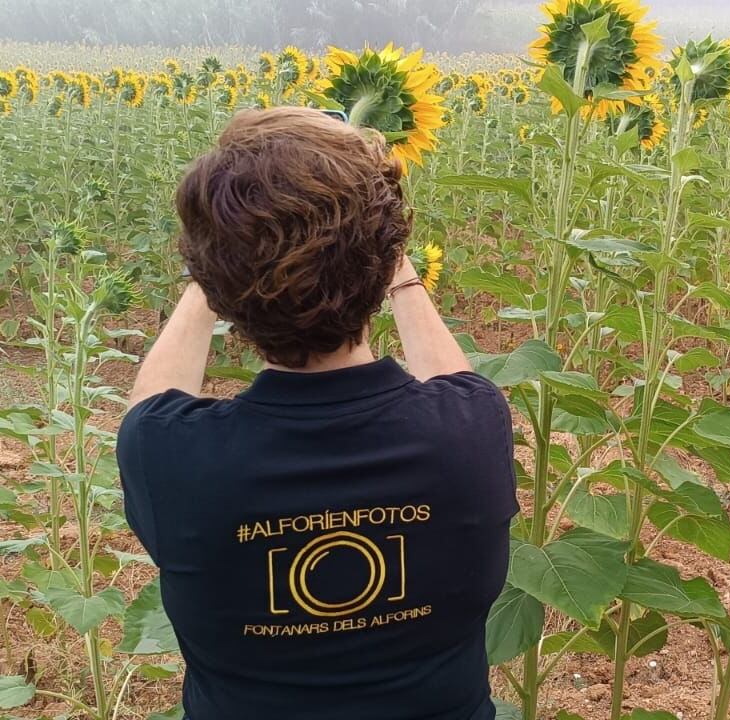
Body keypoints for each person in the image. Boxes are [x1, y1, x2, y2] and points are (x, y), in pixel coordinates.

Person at [116, 107, 518, 720]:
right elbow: (454, 380)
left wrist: (219, 265)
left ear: (215, 283)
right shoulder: (470, 430)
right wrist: (396, 269)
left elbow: (154, 398)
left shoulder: (171, 457)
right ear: (384, 265)